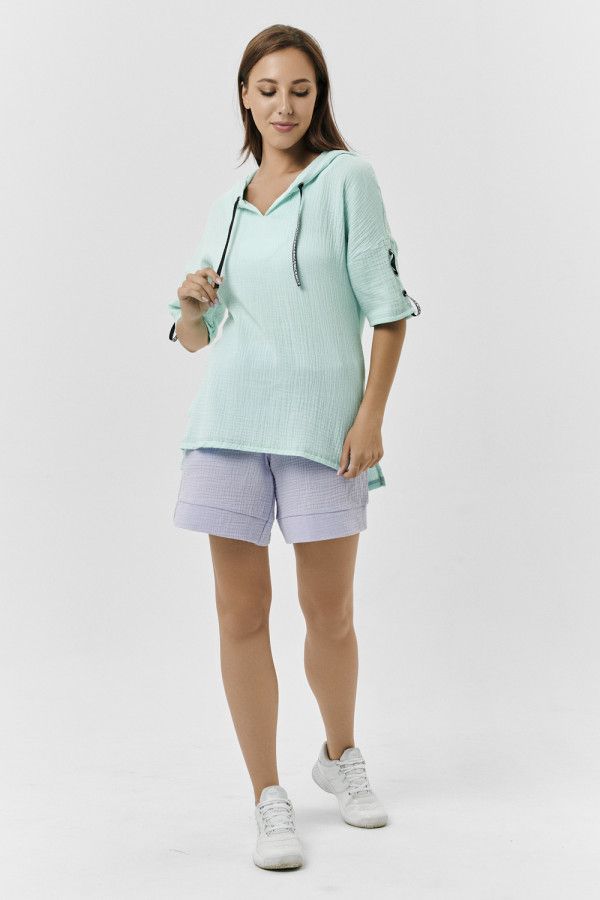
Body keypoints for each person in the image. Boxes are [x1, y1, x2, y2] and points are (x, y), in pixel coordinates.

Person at [167, 24, 421, 871]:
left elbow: (388, 309)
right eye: (268, 89)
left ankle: (339, 755)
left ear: (319, 98)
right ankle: (266, 796)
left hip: (322, 432)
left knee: (330, 614)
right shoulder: (227, 206)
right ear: (245, 96)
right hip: (228, 430)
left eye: (300, 90)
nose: (284, 105)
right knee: (240, 618)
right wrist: (191, 304)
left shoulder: (347, 179)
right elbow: (198, 337)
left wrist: (369, 417)